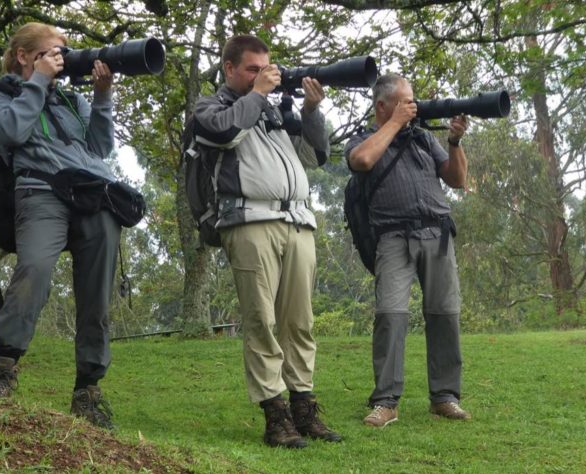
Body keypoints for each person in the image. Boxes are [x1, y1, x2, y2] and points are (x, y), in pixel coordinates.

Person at [192, 34, 340, 448]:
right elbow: (223, 134)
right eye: (253, 69)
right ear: (229, 69)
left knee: (300, 322)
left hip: (297, 219)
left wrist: (310, 110)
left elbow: (314, 156)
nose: (263, 76)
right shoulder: (211, 108)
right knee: (261, 320)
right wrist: (258, 94)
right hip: (249, 220)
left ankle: (303, 407)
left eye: (266, 68)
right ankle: (275, 415)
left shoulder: (275, 112)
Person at [0, 22, 121, 430]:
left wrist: (102, 95)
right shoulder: (2, 95)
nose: (62, 57)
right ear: (24, 56)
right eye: (51, 52)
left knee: (96, 290)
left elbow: (101, 147)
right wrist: (38, 82)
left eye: (64, 51)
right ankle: (4, 369)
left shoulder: (73, 99)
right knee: (34, 270)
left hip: (92, 196)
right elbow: (9, 132)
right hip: (39, 192)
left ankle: (88, 389)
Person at [344, 73, 471, 428]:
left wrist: (455, 142)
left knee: (445, 314)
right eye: (404, 102)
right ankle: (386, 401)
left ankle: (445, 397)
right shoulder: (362, 139)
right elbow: (363, 161)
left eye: (412, 101)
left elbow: (457, 180)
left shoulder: (422, 139)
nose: (412, 108)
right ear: (382, 106)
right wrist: (395, 123)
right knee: (390, 315)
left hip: (438, 232)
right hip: (392, 237)